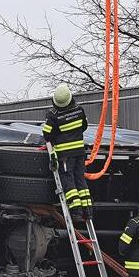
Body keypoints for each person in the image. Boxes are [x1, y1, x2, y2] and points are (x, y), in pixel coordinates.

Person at [42, 85, 90, 219]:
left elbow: (47, 134)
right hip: (80, 153)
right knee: (80, 179)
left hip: (65, 156)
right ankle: (87, 209)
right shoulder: (79, 110)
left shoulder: (53, 115)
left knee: (68, 180)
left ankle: (76, 211)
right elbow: (84, 126)